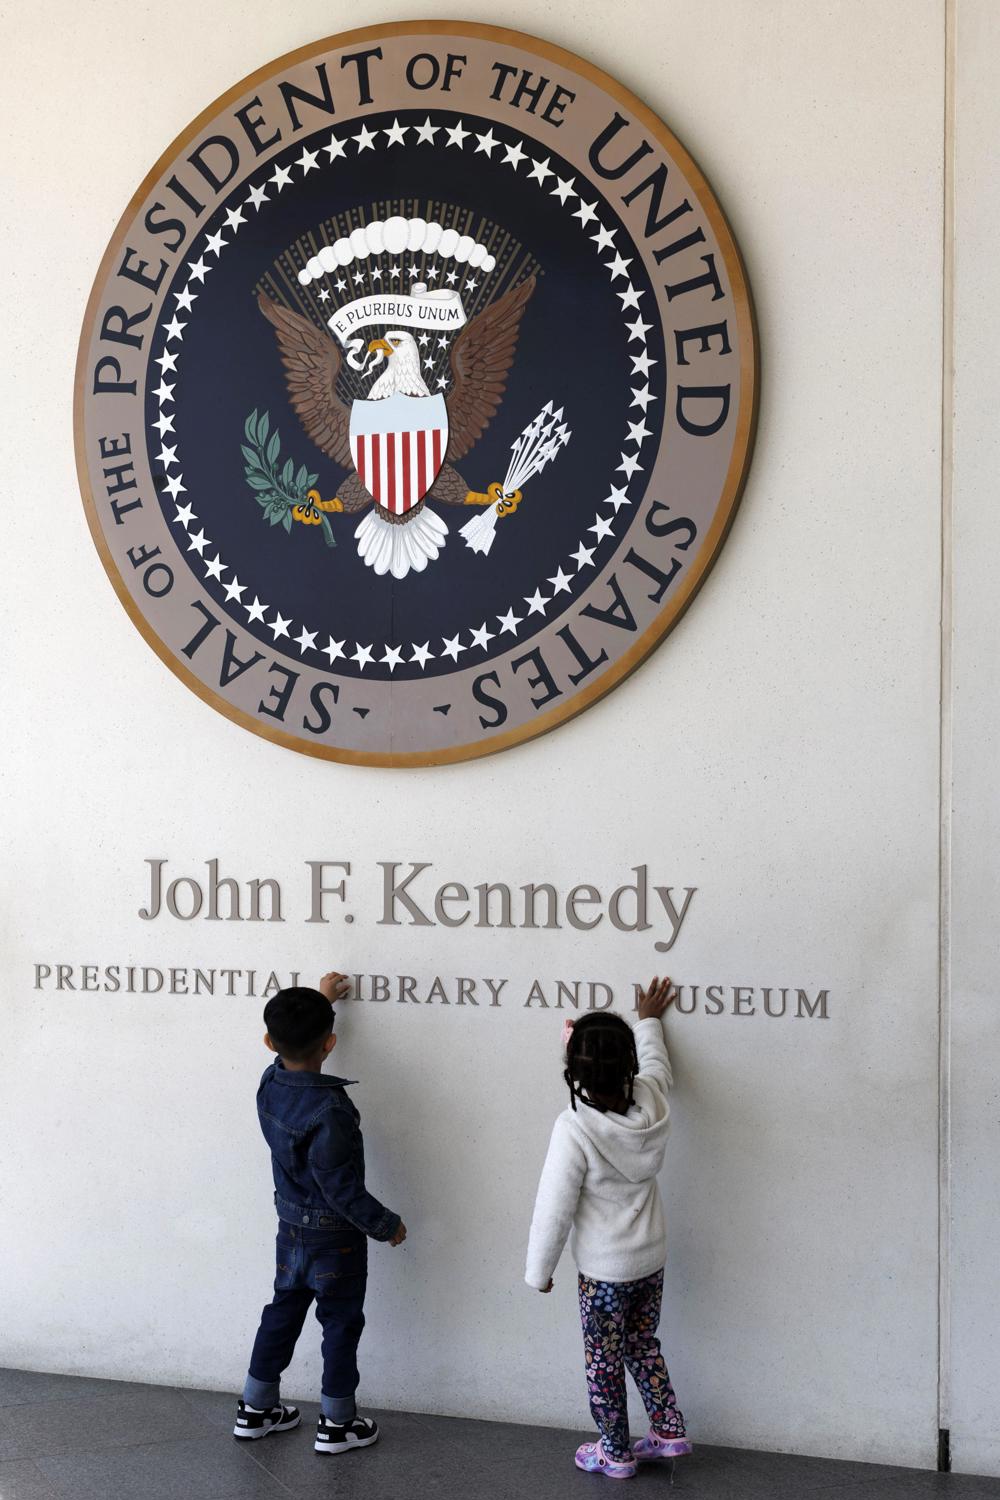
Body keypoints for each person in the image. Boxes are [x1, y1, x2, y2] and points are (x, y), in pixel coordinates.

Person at [233, 972, 406, 1454]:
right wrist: (384, 1223)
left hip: (290, 1229)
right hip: (337, 1238)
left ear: (269, 1040)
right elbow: (339, 1187)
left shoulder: (270, 1085)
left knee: (282, 1310)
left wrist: (320, 1001)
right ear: (330, 1044)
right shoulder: (330, 1109)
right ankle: (337, 1422)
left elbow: (284, 1053)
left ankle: (256, 1407)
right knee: (341, 1321)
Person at [525, 977, 690, 1479]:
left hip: (603, 1274)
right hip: (650, 1260)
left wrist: (539, 1270)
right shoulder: (652, 1102)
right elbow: (656, 1065)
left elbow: (553, 1207)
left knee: (603, 1361)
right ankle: (668, 1429)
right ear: (629, 1068)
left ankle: (615, 1452)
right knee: (643, 1344)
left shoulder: (574, 1127)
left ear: (573, 1072)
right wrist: (647, 1020)